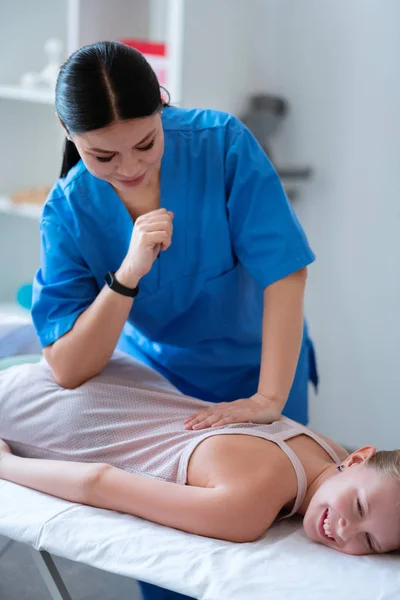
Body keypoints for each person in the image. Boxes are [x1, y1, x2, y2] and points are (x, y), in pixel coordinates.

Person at [31, 40, 317, 599]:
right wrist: (126, 275)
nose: (131, 168)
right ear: (71, 135)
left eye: (144, 143)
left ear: (161, 105)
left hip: (260, 370)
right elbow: (66, 366)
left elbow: (285, 273)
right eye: (103, 157)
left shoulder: (221, 144)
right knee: (172, 563)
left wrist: (266, 401)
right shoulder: (68, 211)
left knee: (267, 557)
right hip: (159, 392)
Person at [0, 355, 399, 560]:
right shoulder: (247, 510)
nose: (346, 529)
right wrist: (5, 465)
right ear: (361, 457)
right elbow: (96, 481)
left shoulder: (328, 448)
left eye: (369, 541)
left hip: (95, 374)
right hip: (49, 419)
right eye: (360, 506)